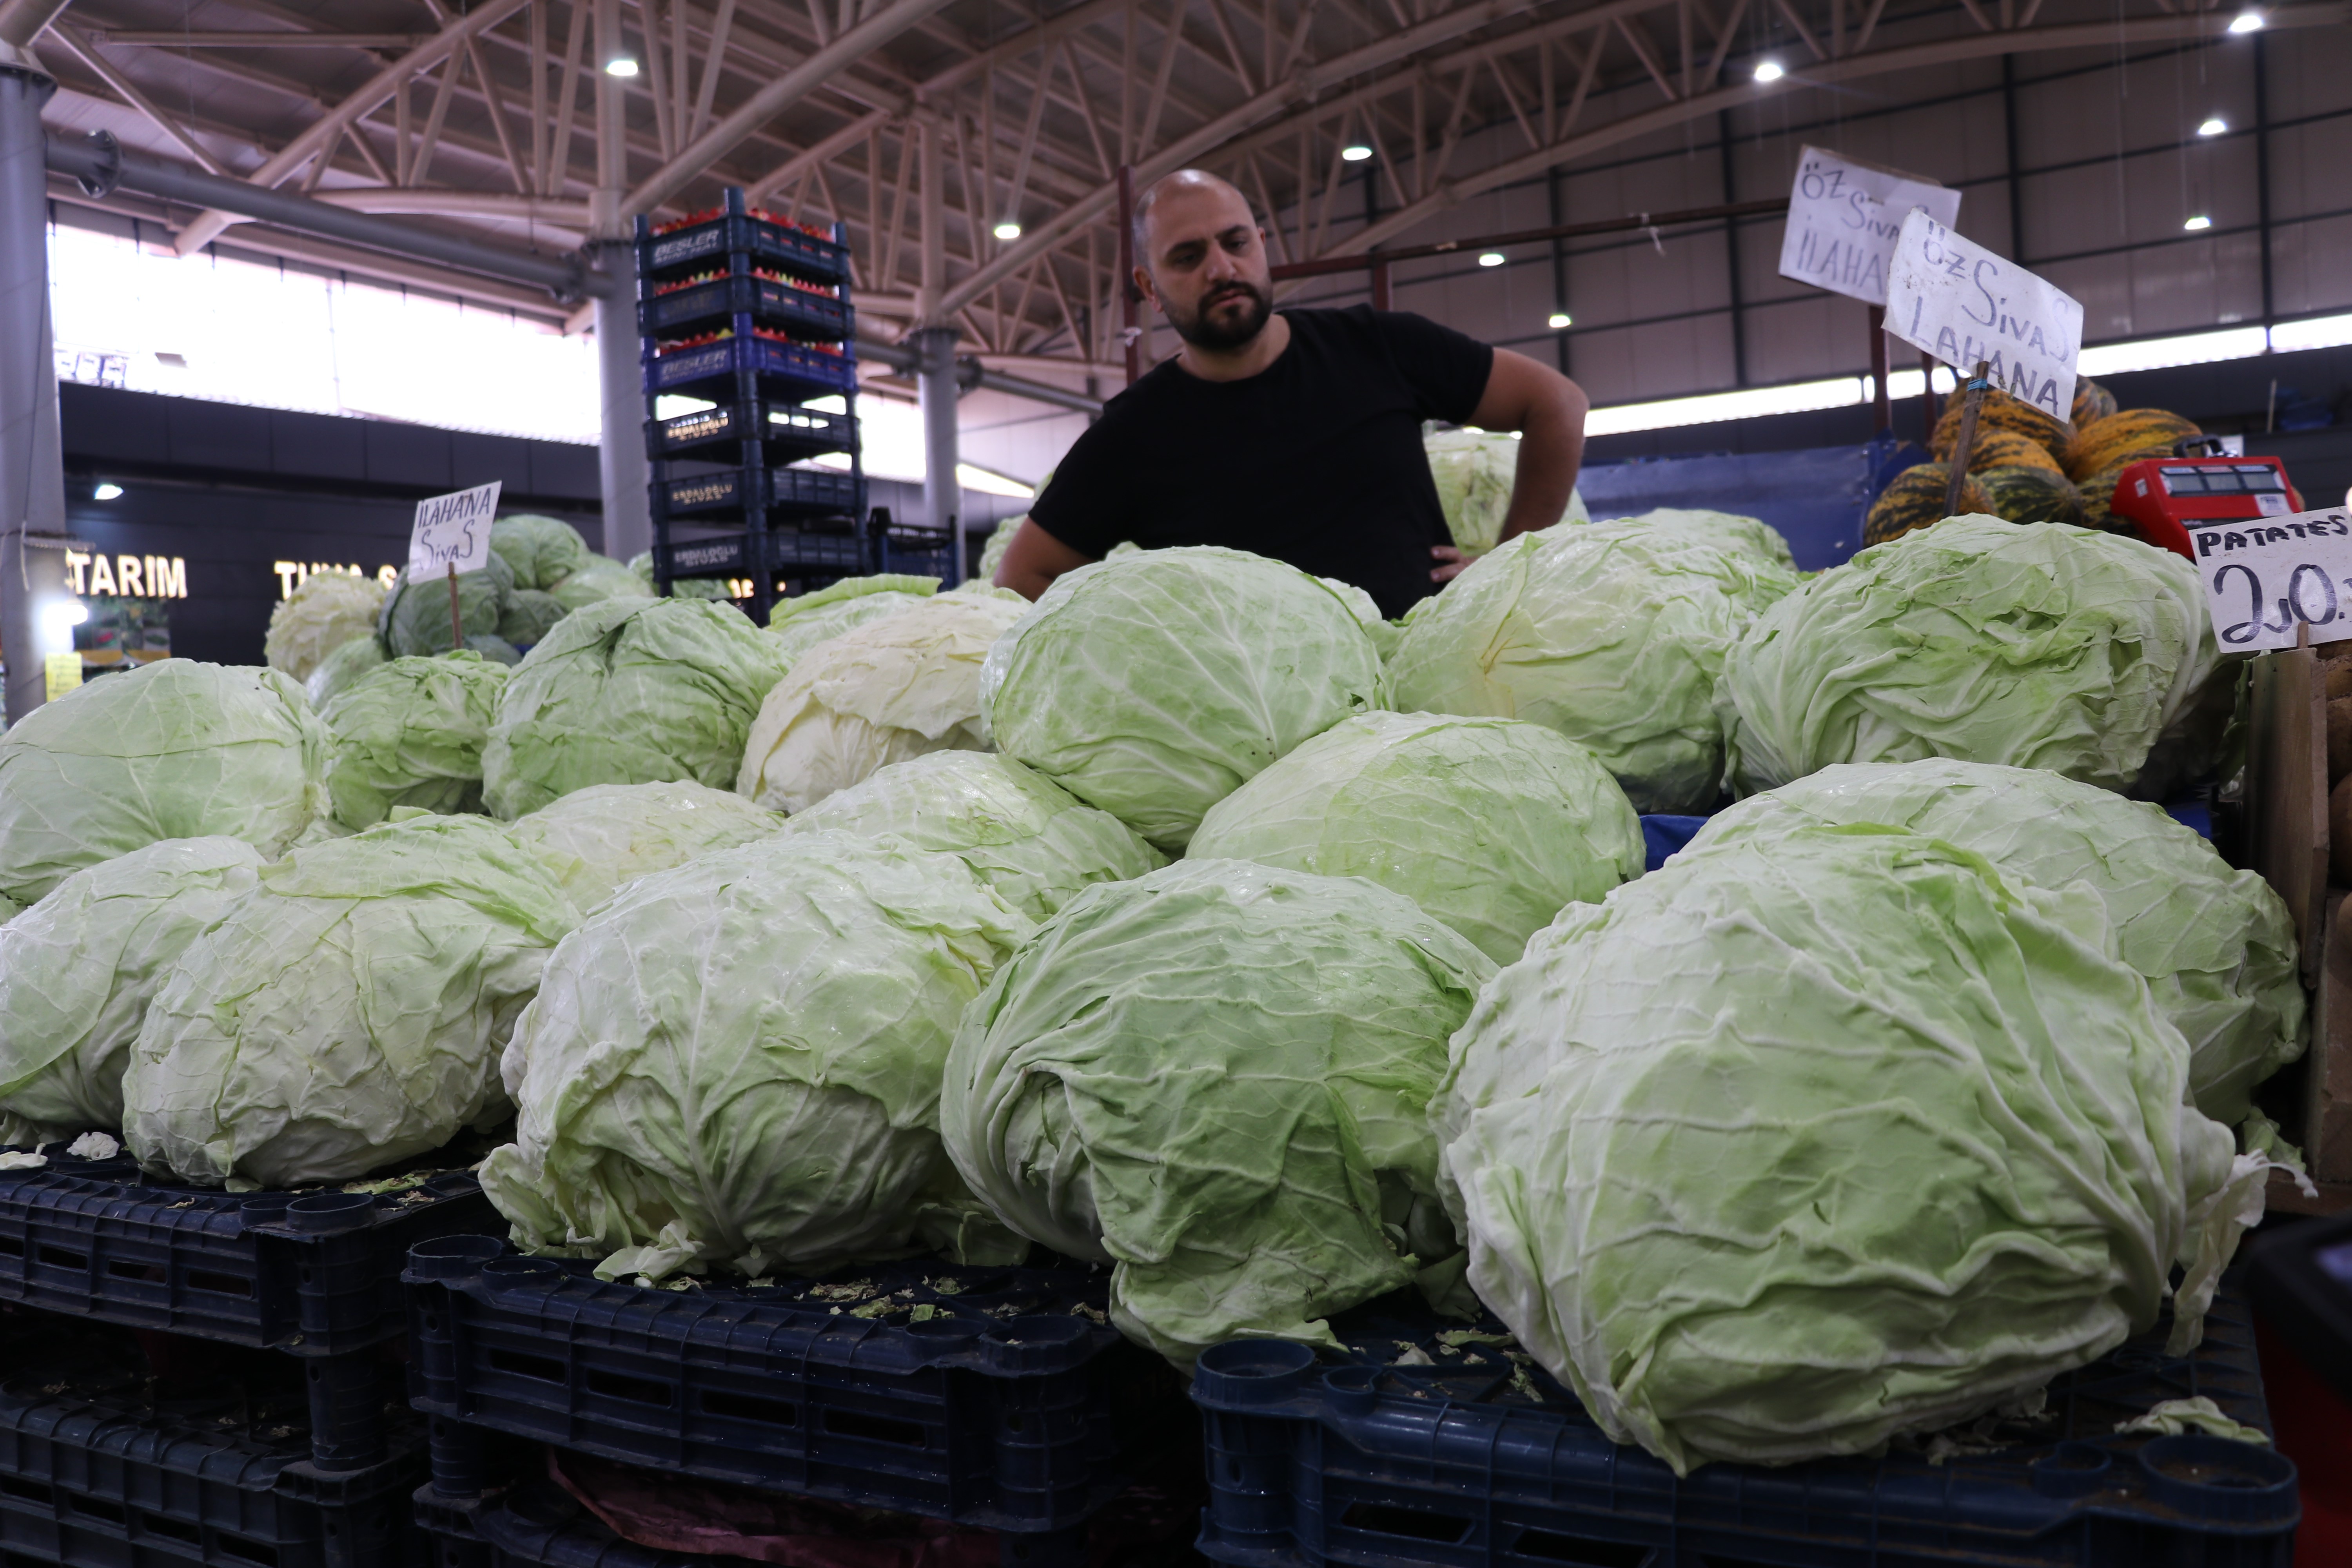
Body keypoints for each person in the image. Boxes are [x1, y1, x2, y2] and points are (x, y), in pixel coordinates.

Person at [993, 169, 1589, 618]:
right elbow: (1023, 577)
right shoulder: (1132, 435)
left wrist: (1507, 564)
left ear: (1262, 243)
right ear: (1149, 287)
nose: (1221, 269)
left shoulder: (1378, 345)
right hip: (1265, 745)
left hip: (1426, 690)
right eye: (1188, 256)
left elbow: (1556, 403)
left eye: (1235, 243)